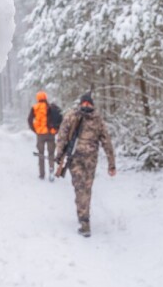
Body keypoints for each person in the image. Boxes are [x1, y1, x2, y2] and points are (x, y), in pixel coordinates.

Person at [55, 92, 116, 237]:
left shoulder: (88, 118)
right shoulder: (80, 117)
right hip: (81, 159)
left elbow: (106, 142)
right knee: (82, 188)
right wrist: (60, 155)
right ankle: (84, 218)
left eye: (88, 104)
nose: (86, 106)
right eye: (85, 103)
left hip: (84, 160)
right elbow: (62, 136)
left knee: (83, 188)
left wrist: (111, 163)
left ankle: (84, 219)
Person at [28, 91, 57, 180]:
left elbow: (29, 120)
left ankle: (42, 174)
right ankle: (51, 170)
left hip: (40, 134)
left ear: (38, 98)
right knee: (51, 153)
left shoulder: (35, 107)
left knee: (41, 154)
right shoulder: (51, 107)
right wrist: (56, 130)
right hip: (51, 134)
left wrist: (35, 130)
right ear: (45, 97)